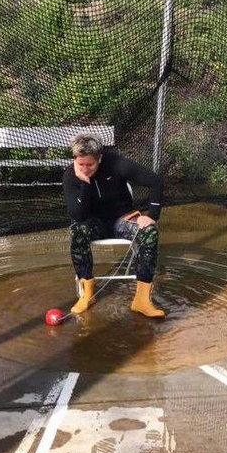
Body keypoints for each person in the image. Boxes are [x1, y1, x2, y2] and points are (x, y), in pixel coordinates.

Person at [62, 134, 165, 318]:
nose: (85, 169)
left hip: (122, 218)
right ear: (74, 160)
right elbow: (78, 215)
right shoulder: (70, 175)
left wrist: (152, 216)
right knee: (77, 229)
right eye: (81, 165)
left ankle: (142, 300)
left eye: (90, 165)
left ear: (100, 158)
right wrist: (85, 184)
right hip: (93, 222)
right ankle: (87, 294)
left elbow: (156, 181)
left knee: (149, 232)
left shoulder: (116, 163)